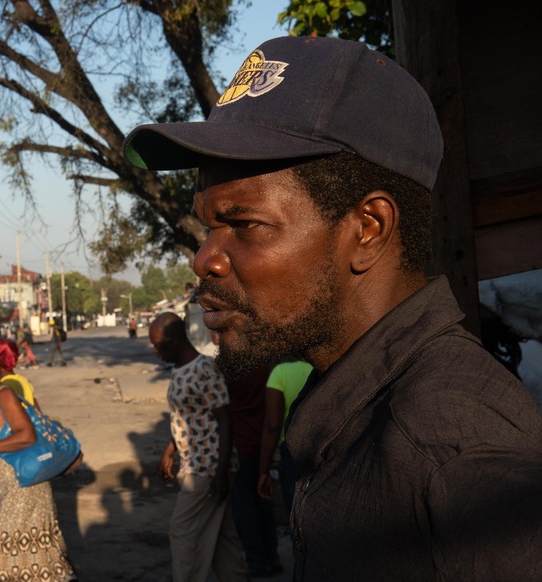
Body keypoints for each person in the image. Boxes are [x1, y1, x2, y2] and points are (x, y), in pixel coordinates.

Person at [124, 35, 542, 579]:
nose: (205, 259)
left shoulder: (450, 452)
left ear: (367, 228)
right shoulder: (355, 404)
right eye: (208, 227)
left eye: (243, 225)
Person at [0, 346, 76, 581]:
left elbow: (26, 435)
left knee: (6, 559)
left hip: (25, 490)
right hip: (10, 490)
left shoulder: (4, 395)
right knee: (31, 562)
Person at [148, 313, 248, 582]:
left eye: (158, 345)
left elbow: (224, 420)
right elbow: (189, 418)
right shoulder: (179, 369)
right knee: (222, 538)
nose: (155, 351)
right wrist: (170, 451)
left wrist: (221, 472)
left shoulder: (204, 368)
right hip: (197, 463)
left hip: (207, 468)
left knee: (183, 533)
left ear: (176, 339)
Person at [210, 332, 280, 577]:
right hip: (263, 442)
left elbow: (220, 412)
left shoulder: (225, 367)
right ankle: (271, 557)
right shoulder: (262, 363)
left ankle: (258, 562)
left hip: (240, 444)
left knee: (245, 508)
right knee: (264, 501)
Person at [257, 359, 314, 514]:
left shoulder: (279, 373)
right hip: (317, 444)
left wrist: (264, 471)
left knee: (295, 510)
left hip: (290, 450)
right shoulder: (314, 370)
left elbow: (273, 425)